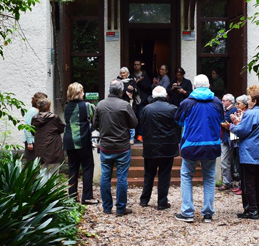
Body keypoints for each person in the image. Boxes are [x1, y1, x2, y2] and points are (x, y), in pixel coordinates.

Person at [174, 74, 223, 223]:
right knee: (209, 177)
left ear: (194, 86)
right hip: (212, 145)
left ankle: (187, 212)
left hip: (191, 145)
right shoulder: (217, 102)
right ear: (208, 86)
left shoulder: (187, 102)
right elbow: (221, 119)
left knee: (186, 176)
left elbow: (178, 121)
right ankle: (208, 213)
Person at [93, 79, 138, 216]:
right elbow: (134, 123)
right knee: (122, 178)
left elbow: (95, 124)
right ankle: (120, 208)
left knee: (105, 177)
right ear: (121, 91)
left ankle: (107, 208)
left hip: (106, 146)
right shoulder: (124, 105)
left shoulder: (100, 105)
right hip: (122, 147)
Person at [230, 85, 259, 219]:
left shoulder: (250, 113)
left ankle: (251, 209)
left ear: (254, 101)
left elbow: (241, 130)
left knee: (248, 182)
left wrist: (231, 125)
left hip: (249, 152)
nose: (247, 101)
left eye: (248, 99)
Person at [139, 86, 179, 210]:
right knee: (164, 175)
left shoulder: (146, 109)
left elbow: (142, 125)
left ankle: (144, 199)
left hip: (150, 146)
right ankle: (162, 202)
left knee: (149, 174)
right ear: (165, 95)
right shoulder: (173, 109)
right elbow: (178, 126)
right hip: (168, 146)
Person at [63, 82, 97, 205]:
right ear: (78, 93)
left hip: (69, 140)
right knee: (88, 167)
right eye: (82, 91)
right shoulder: (87, 106)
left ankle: (72, 196)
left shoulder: (66, 107)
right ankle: (87, 196)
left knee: (72, 168)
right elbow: (94, 121)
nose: (83, 94)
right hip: (83, 140)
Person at [31, 97, 65, 180]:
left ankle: (43, 192)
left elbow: (32, 132)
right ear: (48, 107)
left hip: (40, 149)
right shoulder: (54, 118)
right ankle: (52, 192)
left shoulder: (35, 118)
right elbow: (61, 129)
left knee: (42, 172)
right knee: (53, 173)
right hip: (53, 148)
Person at [218, 93, 238, 191]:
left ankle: (227, 182)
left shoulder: (233, 110)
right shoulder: (226, 110)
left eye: (224, 100)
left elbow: (224, 122)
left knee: (225, 161)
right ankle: (228, 181)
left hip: (229, 139)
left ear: (230, 101)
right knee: (227, 161)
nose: (222, 102)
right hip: (225, 138)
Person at [229, 95, 249, 196]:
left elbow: (242, 128)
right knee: (238, 163)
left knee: (242, 166)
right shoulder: (240, 113)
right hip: (236, 141)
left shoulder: (247, 114)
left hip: (242, 142)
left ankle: (243, 186)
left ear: (245, 105)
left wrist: (235, 122)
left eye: (239, 104)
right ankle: (241, 185)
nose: (237, 106)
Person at [23, 92, 48, 162]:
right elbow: (27, 127)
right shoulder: (32, 111)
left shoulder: (39, 111)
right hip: (32, 142)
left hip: (37, 141)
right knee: (32, 163)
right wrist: (30, 142)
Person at [132, 59, 151, 142]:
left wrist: (140, 82)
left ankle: (140, 135)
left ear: (140, 65)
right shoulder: (131, 75)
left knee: (141, 117)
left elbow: (148, 87)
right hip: (132, 99)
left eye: (138, 64)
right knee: (132, 117)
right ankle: (133, 135)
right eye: (135, 64)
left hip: (142, 100)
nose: (136, 66)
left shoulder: (145, 75)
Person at [117, 66, 138, 144]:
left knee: (130, 120)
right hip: (120, 103)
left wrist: (133, 90)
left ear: (127, 73)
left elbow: (136, 91)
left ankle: (132, 138)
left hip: (130, 103)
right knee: (121, 120)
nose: (122, 74)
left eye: (124, 73)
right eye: (121, 73)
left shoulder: (132, 81)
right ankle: (123, 137)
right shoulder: (118, 81)